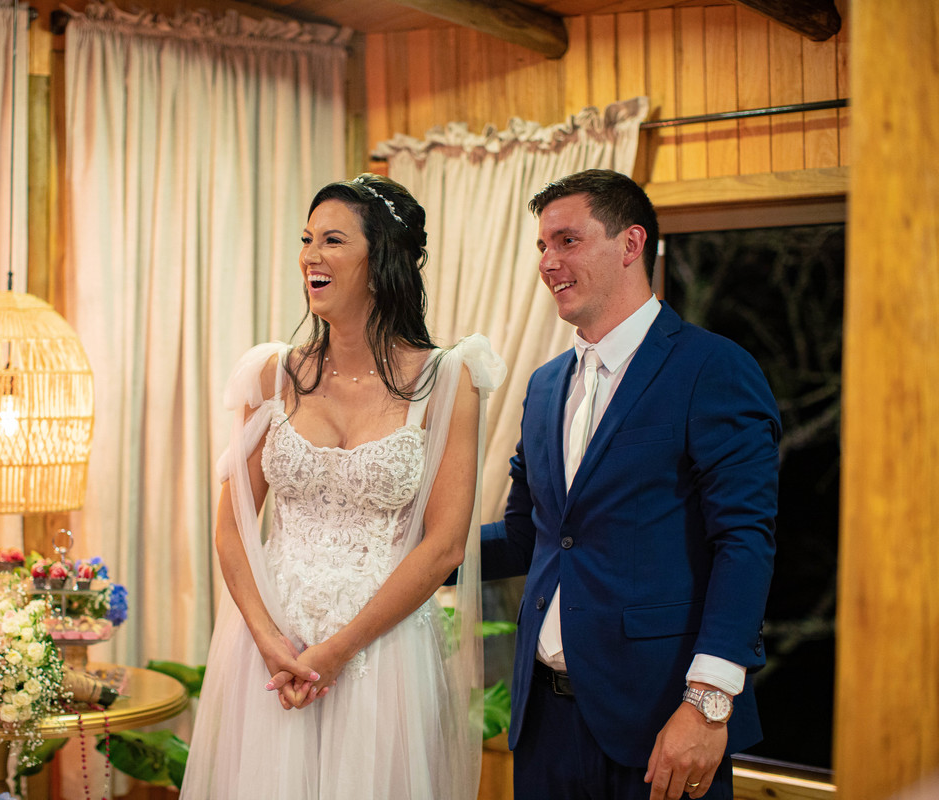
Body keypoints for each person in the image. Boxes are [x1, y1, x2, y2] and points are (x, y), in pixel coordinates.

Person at [181, 174, 505, 800]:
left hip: (379, 654)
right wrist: (269, 641)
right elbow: (233, 527)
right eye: (307, 239)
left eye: (333, 240)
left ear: (381, 262)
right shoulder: (273, 374)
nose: (311, 255)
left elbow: (444, 546)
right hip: (271, 650)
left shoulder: (447, 379)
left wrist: (337, 650)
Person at [481, 169, 780, 800]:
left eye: (567, 241)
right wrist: (409, 550)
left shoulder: (713, 368)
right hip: (543, 728)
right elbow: (525, 535)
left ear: (631, 243)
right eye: (542, 246)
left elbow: (744, 542)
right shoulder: (543, 385)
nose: (548, 262)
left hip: (661, 722)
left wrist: (707, 706)